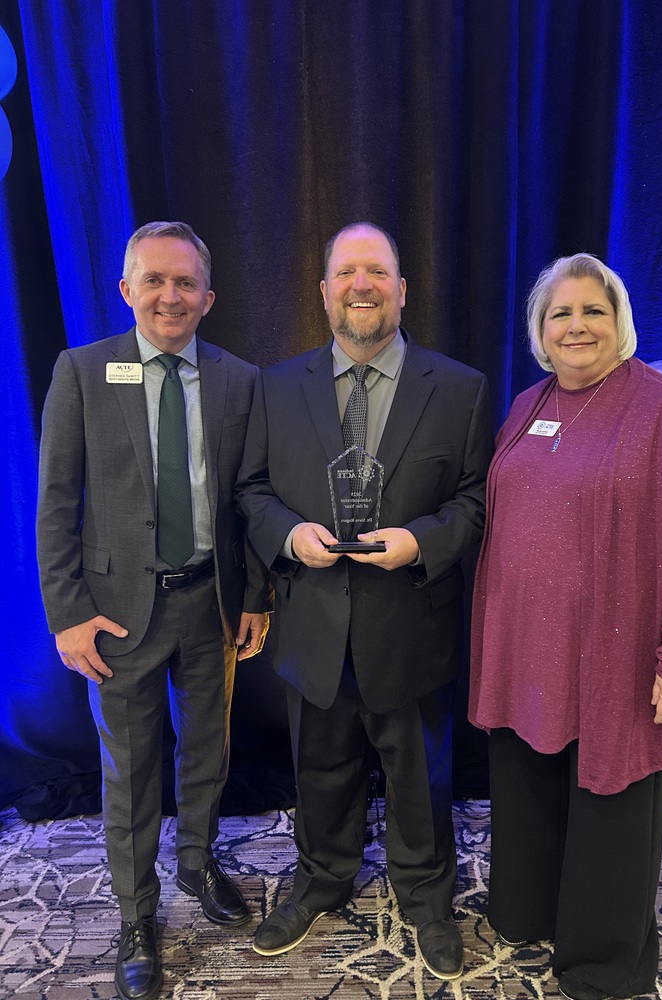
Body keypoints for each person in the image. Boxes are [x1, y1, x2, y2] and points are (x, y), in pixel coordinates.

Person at [469, 253, 662, 1000]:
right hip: (527, 648)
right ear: (539, 330)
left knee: (609, 803)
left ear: (620, 323)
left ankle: (601, 962)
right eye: (561, 313)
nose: (577, 325)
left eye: (594, 310)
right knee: (530, 780)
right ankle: (529, 912)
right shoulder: (528, 404)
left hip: (620, 655)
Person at [235, 221, 494, 981]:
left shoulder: (461, 389)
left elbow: (477, 502)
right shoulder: (275, 387)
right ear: (324, 292)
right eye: (346, 272)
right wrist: (288, 536)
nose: (361, 284)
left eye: (376, 271)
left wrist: (421, 541)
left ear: (401, 289)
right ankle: (321, 879)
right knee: (319, 769)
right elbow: (251, 491)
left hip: (411, 621)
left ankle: (426, 897)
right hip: (313, 619)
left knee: (420, 776)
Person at [36, 221, 272, 1000]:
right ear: (126, 289)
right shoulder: (82, 371)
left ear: (208, 297)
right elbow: (55, 501)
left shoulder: (240, 380)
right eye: (155, 280)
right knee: (132, 771)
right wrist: (67, 612)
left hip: (212, 603)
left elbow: (252, 498)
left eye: (185, 283)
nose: (170, 295)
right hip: (117, 616)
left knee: (207, 749)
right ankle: (137, 915)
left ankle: (197, 864)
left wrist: (257, 595)